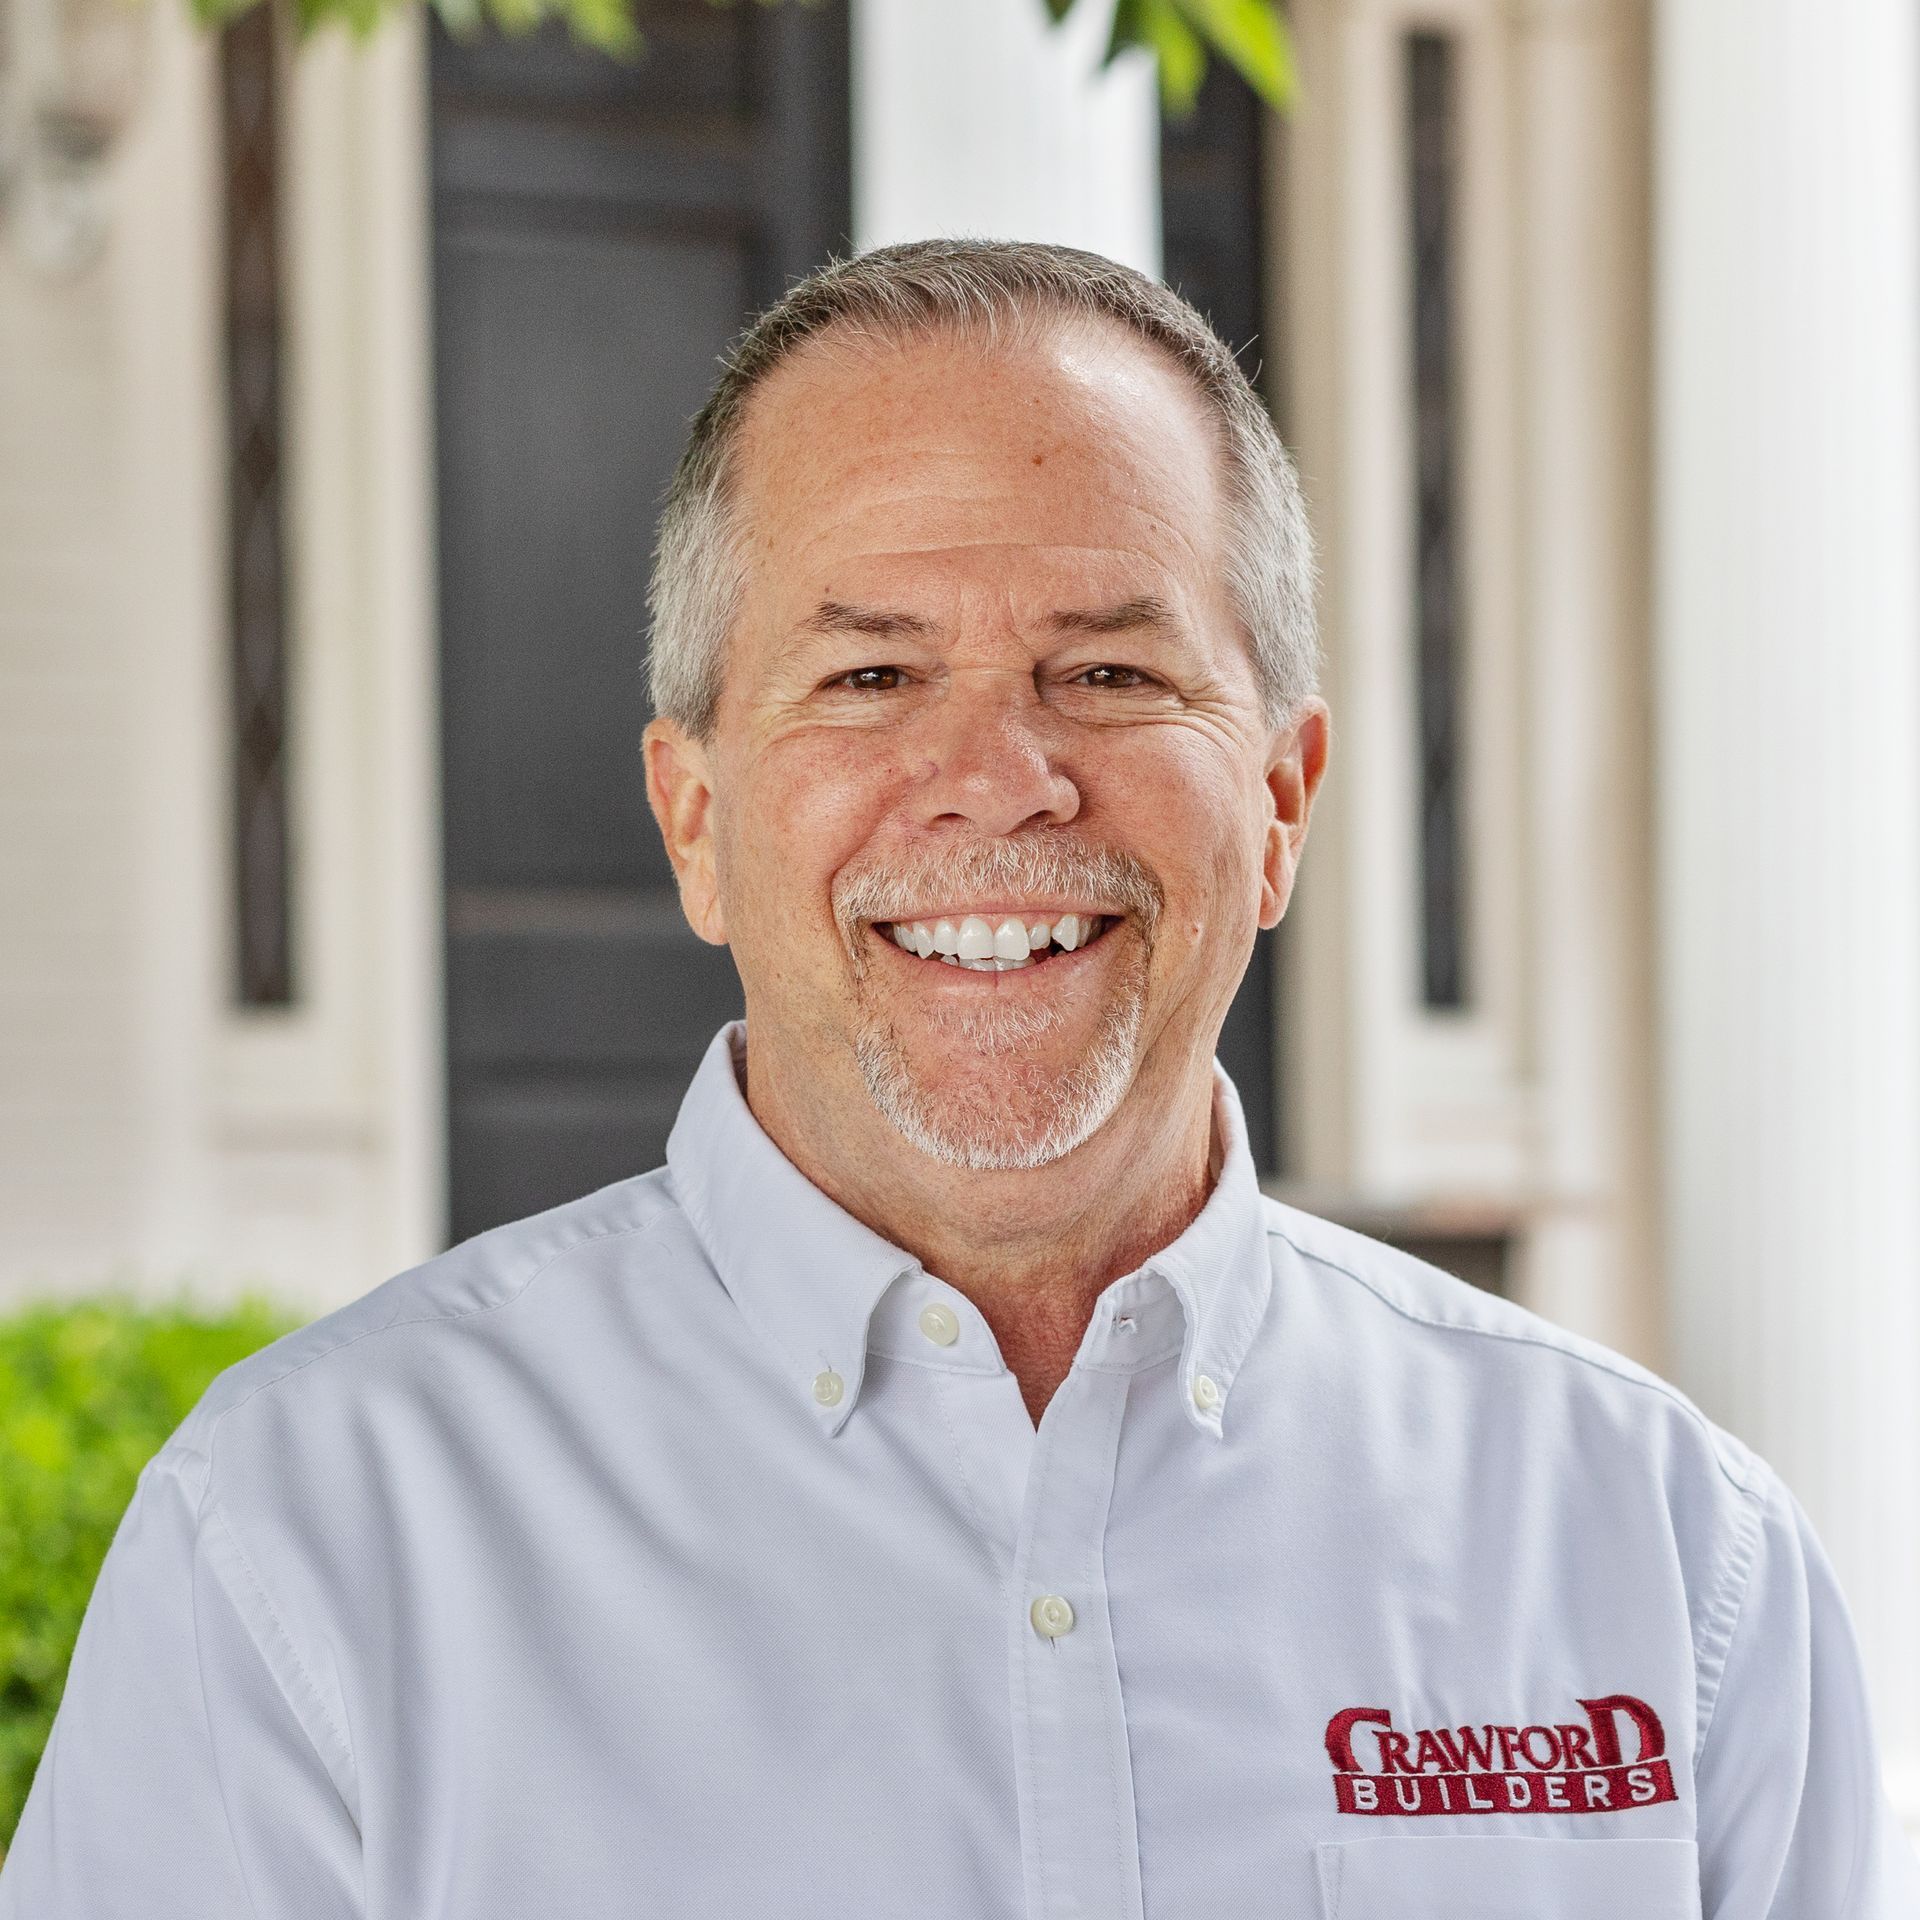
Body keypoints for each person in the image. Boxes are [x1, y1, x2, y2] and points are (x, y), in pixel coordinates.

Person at [3, 239, 1914, 1918]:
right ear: (693, 820)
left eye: (1107, 674)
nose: (1000, 779)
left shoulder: (1665, 1555)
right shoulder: (310, 1548)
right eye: (865, 678)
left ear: (1281, 799)